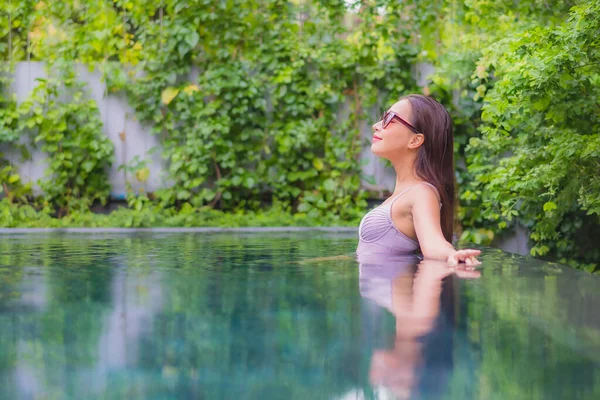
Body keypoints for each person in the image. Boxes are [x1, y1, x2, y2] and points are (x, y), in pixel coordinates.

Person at [357, 94, 481, 266]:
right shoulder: (404, 194)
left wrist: (451, 254)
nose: (376, 126)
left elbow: (433, 244)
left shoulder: (422, 192)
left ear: (415, 140)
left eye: (389, 119)